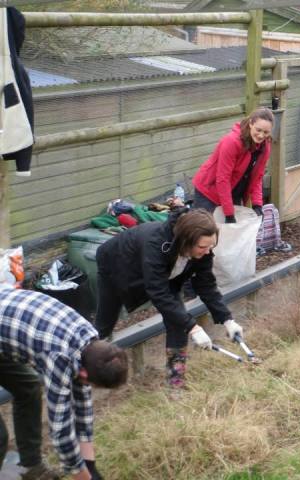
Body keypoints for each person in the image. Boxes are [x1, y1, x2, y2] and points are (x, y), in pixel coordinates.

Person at [95, 208, 243, 388]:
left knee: (178, 321)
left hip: (166, 273)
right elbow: (157, 292)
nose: (207, 252)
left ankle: (175, 381)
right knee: (105, 323)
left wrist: (227, 319)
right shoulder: (156, 244)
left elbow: (206, 286)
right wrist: (193, 328)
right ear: (186, 241)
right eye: (202, 247)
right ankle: (87, 371)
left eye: (211, 246)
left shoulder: (202, 251)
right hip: (117, 265)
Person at [0, 284, 128, 480]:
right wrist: (82, 476)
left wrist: (90, 467)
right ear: (84, 374)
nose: (89, 387)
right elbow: (60, 430)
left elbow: (82, 405)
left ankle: (31, 466)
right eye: (93, 384)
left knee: (28, 387)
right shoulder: (58, 356)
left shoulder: (90, 341)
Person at [192, 107, 274, 223]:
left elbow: (258, 177)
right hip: (209, 191)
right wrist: (229, 214)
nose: (261, 135)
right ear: (251, 123)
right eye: (258, 130)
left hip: (233, 192)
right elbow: (223, 178)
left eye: (266, 132)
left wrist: (257, 204)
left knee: (232, 231)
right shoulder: (231, 142)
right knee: (202, 228)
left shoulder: (265, 146)